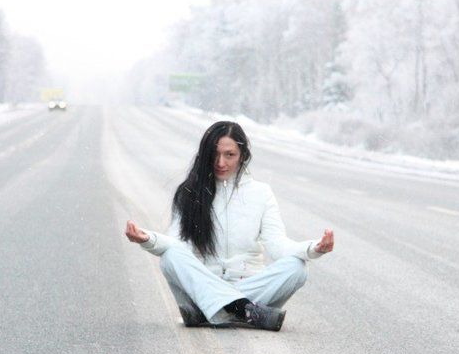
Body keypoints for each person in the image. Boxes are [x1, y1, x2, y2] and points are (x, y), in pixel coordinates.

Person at [125, 121, 334, 331]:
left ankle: (210, 310)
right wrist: (148, 239)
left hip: (249, 287)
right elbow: (178, 244)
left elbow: (278, 245)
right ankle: (245, 311)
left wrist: (313, 249)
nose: (220, 162)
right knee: (170, 257)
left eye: (229, 155)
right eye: (214, 154)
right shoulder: (189, 192)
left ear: (242, 155)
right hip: (205, 283)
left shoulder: (261, 193)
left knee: (297, 268)